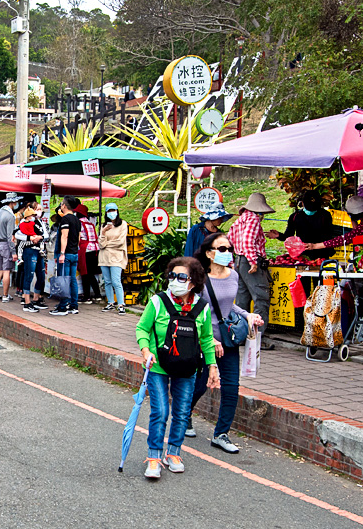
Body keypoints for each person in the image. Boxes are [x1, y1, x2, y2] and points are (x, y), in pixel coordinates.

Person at [135, 256, 220, 478]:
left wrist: (212, 366)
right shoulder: (157, 302)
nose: (175, 280)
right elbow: (142, 329)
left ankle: (173, 453)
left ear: (193, 282)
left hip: (188, 367)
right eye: (172, 276)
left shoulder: (201, 307)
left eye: (182, 277)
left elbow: (207, 339)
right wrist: (146, 351)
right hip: (158, 366)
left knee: (182, 413)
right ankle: (153, 457)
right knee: (160, 411)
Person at [187, 231, 263, 454]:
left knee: (231, 387)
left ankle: (221, 434)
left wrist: (248, 315)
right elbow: (193, 311)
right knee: (200, 384)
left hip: (227, 341)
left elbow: (229, 307)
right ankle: (184, 417)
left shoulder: (233, 275)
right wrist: (209, 340)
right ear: (210, 253)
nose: (227, 253)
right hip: (204, 341)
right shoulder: (199, 278)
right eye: (222, 249)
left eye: (229, 249)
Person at [228, 192, 274, 318]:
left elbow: (230, 240)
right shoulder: (253, 219)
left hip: (239, 261)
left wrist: (233, 262)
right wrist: (253, 262)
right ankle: (257, 332)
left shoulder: (239, 220)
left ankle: (241, 329)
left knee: (242, 297)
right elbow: (247, 241)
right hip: (249, 262)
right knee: (261, 296)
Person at [269, 191, 340, 260]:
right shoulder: (295, 217)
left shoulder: (325, 215)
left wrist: (315, 246)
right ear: (302, 204)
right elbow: (288, 236)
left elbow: (328, 236)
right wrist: (278, 235)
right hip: (302, 254)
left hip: (322, 254)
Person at [50, 196, 83, 316]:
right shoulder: (77, 220)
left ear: (64, 205)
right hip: (74, 253)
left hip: (66, 254)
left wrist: (62, 253)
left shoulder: (65, 220)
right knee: (72, 280)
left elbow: (64, 236)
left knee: (63, 279)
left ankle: (63, 306)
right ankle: (74, 305)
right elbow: (78, 237)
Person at [16, 203, 48, 313]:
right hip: (29, 250)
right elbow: (17, 234)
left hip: (39, 250)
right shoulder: (24, 222)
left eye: (40, 210)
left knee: (41, 275)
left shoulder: (40, 222)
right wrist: (30, 237)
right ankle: (27, 301)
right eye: (37, 209)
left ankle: (36, 298)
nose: (39, 212)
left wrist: (40, 237)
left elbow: (46, 235)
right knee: (28, 275)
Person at [97, 203, 129, 313]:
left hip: (116, 257)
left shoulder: (123, 224)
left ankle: (121, 304)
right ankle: (110, 302)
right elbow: (101, 244)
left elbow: (120, 242)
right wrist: (104, 232)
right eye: (109, 211)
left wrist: (107, 244)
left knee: (116, 281)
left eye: (113, 210)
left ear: (117, 211)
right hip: (104, 258)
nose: (111, 213)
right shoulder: (103, 226)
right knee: (107, 281)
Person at [0, 194, 17, 303]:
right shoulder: (10, 216)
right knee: (6, 271)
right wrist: (13, 251)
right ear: (12, 203)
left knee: (0, 270)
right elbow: (10, 235)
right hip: (6, 245)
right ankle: (5, 295)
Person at [78, 205, 102, 303]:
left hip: (85, 250)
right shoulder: (90, 223)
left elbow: (78, 237)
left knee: (85, 274)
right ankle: (97, 294)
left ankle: (87, 296)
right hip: (95, 250)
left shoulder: (79, 223)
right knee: (91, 274)